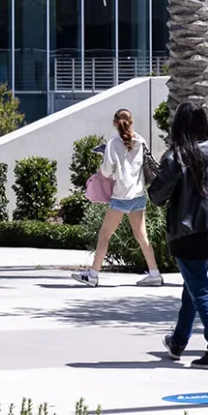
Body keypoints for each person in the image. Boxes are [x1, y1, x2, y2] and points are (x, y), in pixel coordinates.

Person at [148, 104, 208, 369]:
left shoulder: (176, 156)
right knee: (192, 286)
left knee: (199, 288)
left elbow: (156, 196)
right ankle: (178, 341)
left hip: (185, 231)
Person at [74, 107, 166, 287]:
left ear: (115, 123)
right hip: (138, 194)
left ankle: (93, 274)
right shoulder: (140, 141)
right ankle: (154, 273)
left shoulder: (113, 144)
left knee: (104, 235)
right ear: (131, 123)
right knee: (142, 236)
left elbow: (107, 171)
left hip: (121, 196)